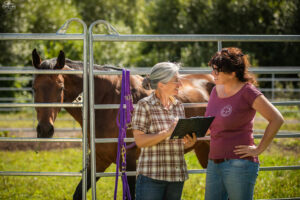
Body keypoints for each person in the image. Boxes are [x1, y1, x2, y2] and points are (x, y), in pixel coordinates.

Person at [204, 47, 284, 200]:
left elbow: (277, 119)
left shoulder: (248, 91)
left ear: (232, 73)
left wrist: (259, 149)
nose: (213, 74)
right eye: (212, 69)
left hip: (239, 164)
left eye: (217, 71)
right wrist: (192, 133)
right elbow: (210, 125)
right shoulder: (215, 90)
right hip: (214, 162)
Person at [131, 62, 197, 200]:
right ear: (161, 84)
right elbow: (140, 141)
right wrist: (167, 132)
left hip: (176, 175)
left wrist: (189, 143)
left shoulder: (178, 105)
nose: (180, 84)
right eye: (176, 81)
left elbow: (177, 142)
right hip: (152, 176)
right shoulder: (144, 105)